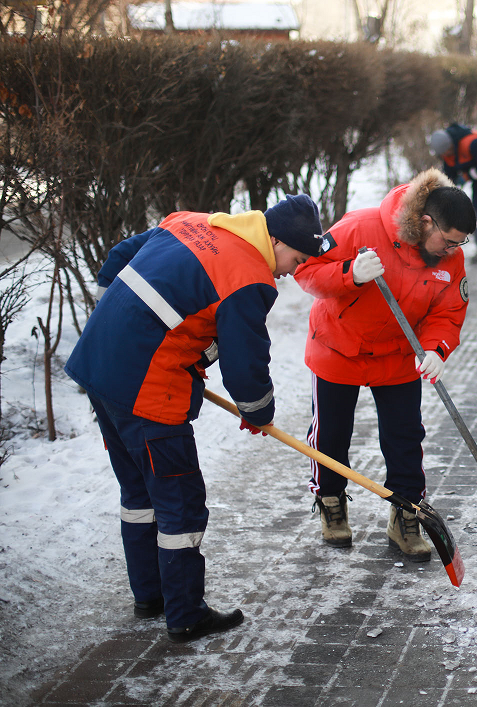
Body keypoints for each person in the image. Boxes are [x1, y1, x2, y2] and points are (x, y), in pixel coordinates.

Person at [64, 195, 326, 642]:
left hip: (98, 364)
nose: (291, 271)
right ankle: (186, 613)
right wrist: (258, 411)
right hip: (148, 387)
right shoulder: (250, 277)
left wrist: (123, 317)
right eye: (295, 259)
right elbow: (245, 363)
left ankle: (150, 595)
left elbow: (119, 257)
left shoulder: (189, 221)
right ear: (274, 240)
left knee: (139, 492)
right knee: (179, 501)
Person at [294, 169, 476, 561]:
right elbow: (306, 272)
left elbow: (448, 311)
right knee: (331, 435)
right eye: (447, 241)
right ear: (426, 221)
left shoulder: (451, 257)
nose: (451, 251)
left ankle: (406, 514)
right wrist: (350, 274)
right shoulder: (361, 227)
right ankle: (331, 501)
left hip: (396, 353)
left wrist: (436, 350)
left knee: (405, 437)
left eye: (459, 245)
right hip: (338, 347)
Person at [429, 123, 477, 263]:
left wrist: (467, 176)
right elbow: (449, 174)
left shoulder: (473, 142)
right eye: (444, 154)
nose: (447, 155)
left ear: (451, 144)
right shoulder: (446, 153)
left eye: (448, 152)